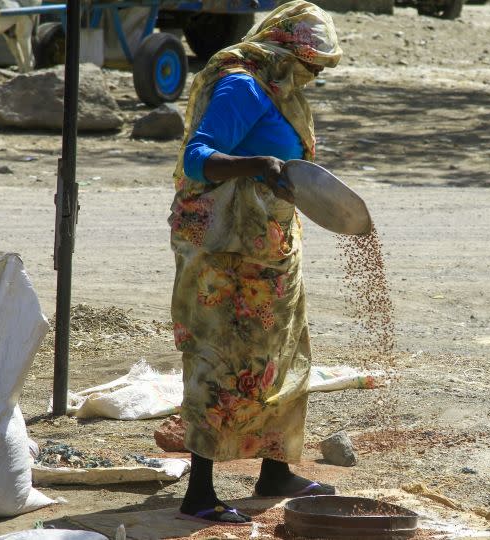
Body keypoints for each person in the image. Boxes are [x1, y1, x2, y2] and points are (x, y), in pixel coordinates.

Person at [168, 1, 342, 525]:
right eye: (311, 64)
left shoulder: (282, 90)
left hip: (270, 245)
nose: (313, 76)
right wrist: (259, 164)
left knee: (282, 353)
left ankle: (274, 470)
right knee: (217, 359)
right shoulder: (243, 85)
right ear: (283, 49)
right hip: (224, 253)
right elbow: (197, 156)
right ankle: (200, 492)